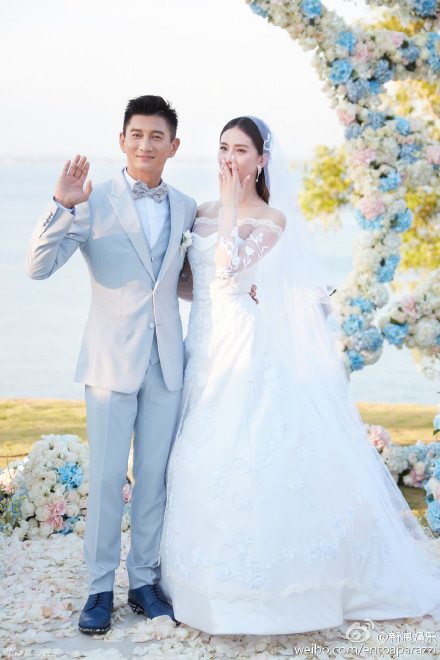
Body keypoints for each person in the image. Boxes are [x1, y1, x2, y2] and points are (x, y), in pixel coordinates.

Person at [159, 116, 440, 635]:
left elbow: (228, 268)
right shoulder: (200, 211)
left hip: (243, 344)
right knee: (196, 451)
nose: (229, 159)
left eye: (241, 150)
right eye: (223, 147)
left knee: (240, 446)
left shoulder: (271, 218)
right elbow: (192, 284)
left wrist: (232, 210)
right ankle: (195, 585)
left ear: (262, 159)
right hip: (203, 342)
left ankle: (266, 593)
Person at [25, 95, 198, 635]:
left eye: (156, 136)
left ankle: (144, 582)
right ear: (122, 140)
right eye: (136, 134)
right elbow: (37, 267)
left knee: (155, 478)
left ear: (174, 146)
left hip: (168, 362)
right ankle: (99, 587)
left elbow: (184, 281)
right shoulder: (91, 200)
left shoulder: (188, 206)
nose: (146, 144)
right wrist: (61, 203)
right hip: (109, 362)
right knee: (105, 479)